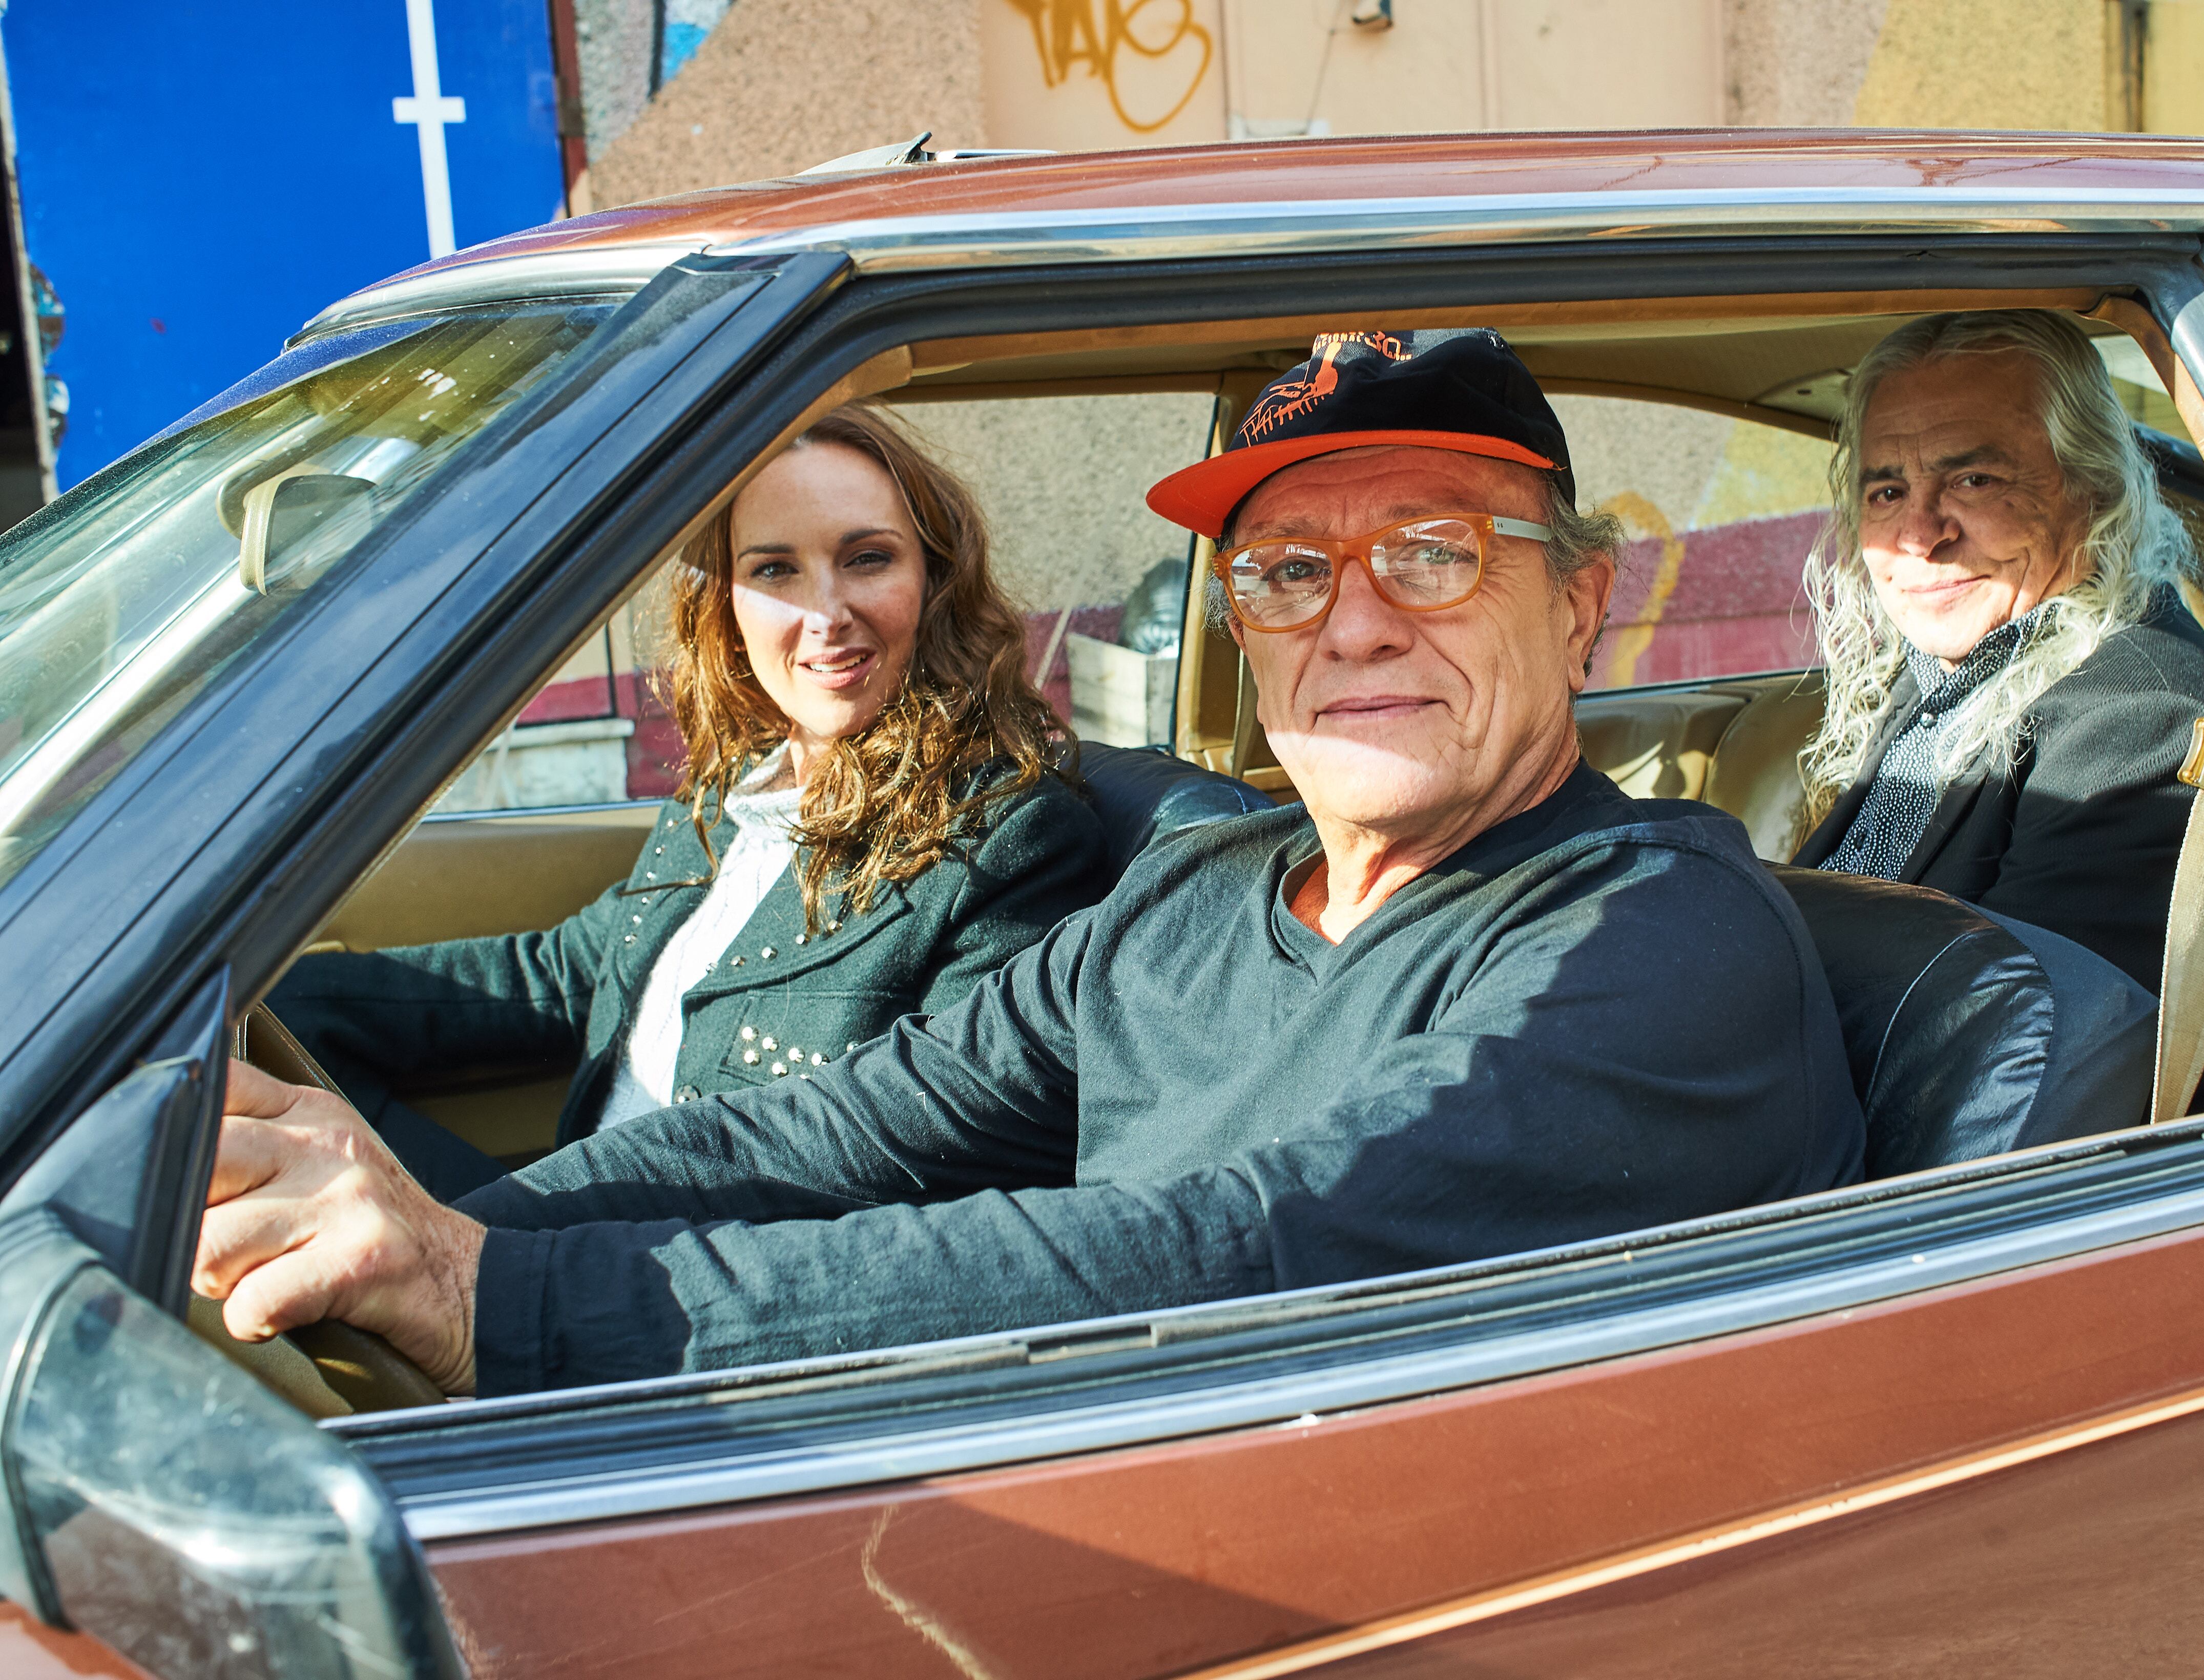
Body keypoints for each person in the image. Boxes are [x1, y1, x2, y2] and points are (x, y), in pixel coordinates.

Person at [196, 328, 1865, 1397]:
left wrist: (502, 1299)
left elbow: (1246, 1253)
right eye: (1285, 571)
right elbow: (846, 1127)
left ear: (1575, 605)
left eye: (1431, 553)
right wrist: (447, 1234)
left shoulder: (1656, 934)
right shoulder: (1202, 892)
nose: (1351, 621)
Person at [265, 404, 1106, 1198]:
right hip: (556, 1219)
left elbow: (924, 1158)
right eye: (774, 569)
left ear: (935, 579)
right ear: (728, 607)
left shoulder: (1011, 837)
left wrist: (495, 1237)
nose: (826, 613)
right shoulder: (734, 789)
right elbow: (580, 967)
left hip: (672, 1270)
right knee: (276, 1063)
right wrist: (264, 995)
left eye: (867, 558)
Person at [1790, 310, 2204, 1111]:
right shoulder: (1951, 672)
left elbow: (2016, 1071)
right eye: (1887, 492)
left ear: (2095, 486)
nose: (1918, 538)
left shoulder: (2140, 716)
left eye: (1974, 480)